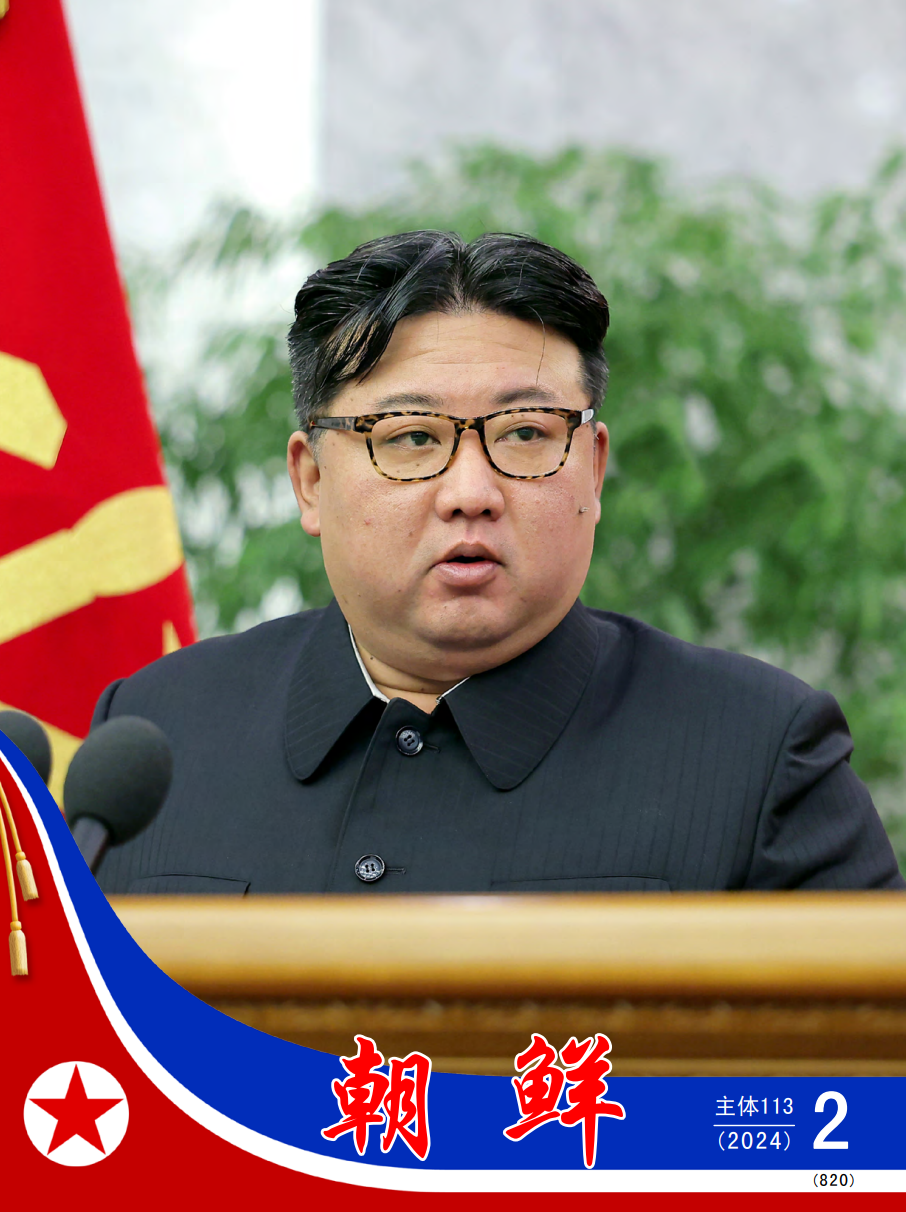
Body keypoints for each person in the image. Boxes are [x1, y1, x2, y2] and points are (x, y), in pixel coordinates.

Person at [93, 230, 904, 894]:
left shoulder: (758, 758)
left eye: (524, 433)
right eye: (412, 438)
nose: (471, 493)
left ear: (593, 468)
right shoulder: (156, 740)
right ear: (310, 481)